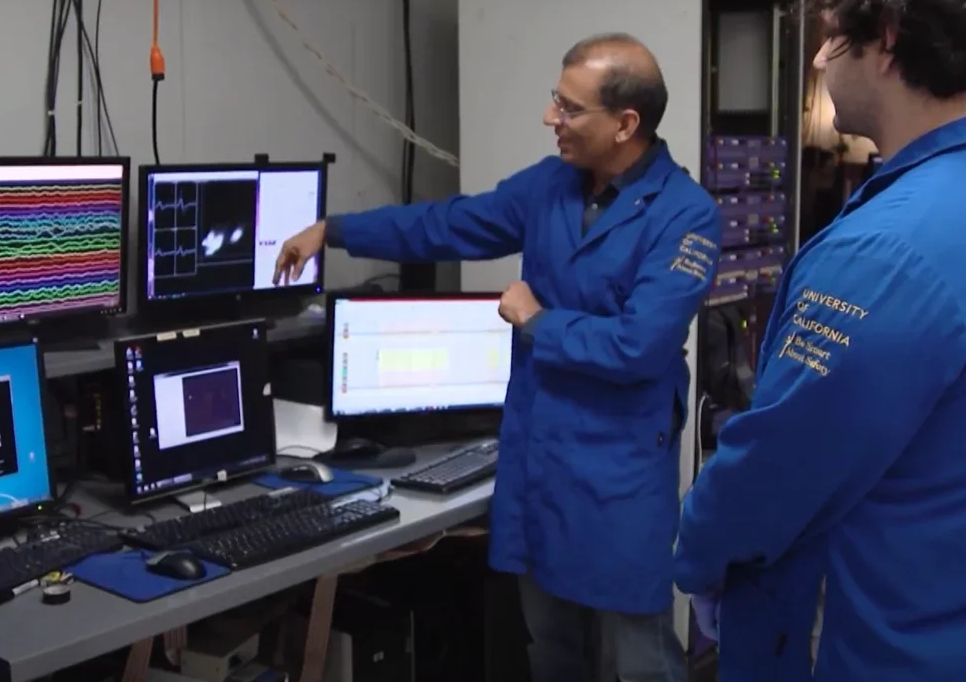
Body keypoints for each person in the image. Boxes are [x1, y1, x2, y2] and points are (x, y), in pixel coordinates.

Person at [276, 33, 720, 682]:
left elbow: (638, 344)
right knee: (552, 655)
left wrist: (539, 321)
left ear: (626, 124)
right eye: (554, 102)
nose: (551, 119)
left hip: (618, 479)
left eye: (569, 109)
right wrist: (336, 231)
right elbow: (448, 223)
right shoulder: (551, 185)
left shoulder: (686, 216)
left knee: (640, 662)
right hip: (541, 465)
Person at [674, 0, 966, 680]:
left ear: (886, 40)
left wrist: (697, 554)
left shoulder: (884, 252)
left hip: (872, 642)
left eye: (831, 37)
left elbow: (775, 467)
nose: (814, 59)